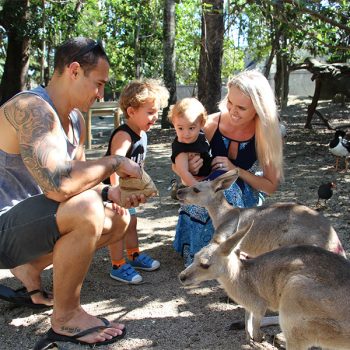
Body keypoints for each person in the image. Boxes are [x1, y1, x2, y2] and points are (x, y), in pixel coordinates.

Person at [0, 37, 146, 347]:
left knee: (116, 220)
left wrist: (113, 195)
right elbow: (60, 185)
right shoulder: (31, 107)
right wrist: (116, 161)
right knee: (86, 209)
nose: (101, 94)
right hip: (3, 223)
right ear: (75, 70)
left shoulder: (75, 120)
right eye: (99, 84)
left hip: (25, 226)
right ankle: (65, 318)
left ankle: (28, 268)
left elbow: (82, 182)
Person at [172, 70, 284, 266]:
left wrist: (237, 170)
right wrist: (188, 168)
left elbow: (270, 186)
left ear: (258, 109)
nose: (232, 111)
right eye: (230, 103)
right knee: (212, 193)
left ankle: (227, 254)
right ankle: (200, 253)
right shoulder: (210, 123)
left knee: (228, 191)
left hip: (241, 195)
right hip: (205, 188)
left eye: (241, 107)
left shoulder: (266, 133)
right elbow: (177, 164)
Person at [105, 79, 169, 284]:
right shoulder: (124, 135)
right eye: (150, 112)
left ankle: (133, 255)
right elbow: (115, 163)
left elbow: (138, 163)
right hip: (113, 191)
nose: (156, 117)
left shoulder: (143, 133)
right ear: (131, 112)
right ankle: (117, 264)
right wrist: (115, 195)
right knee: (119, 225)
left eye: (157, 111)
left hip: (129, 190)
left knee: (132, 222)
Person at [169, 97, 225, 186]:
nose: (186, 134)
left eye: (191, 128)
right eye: (180, 128)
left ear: (202, 123)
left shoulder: (201, 135)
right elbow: (183, 173)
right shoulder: (181, 149)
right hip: (197, 183)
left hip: (210, 175)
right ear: (174, 123)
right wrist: (198, 187)